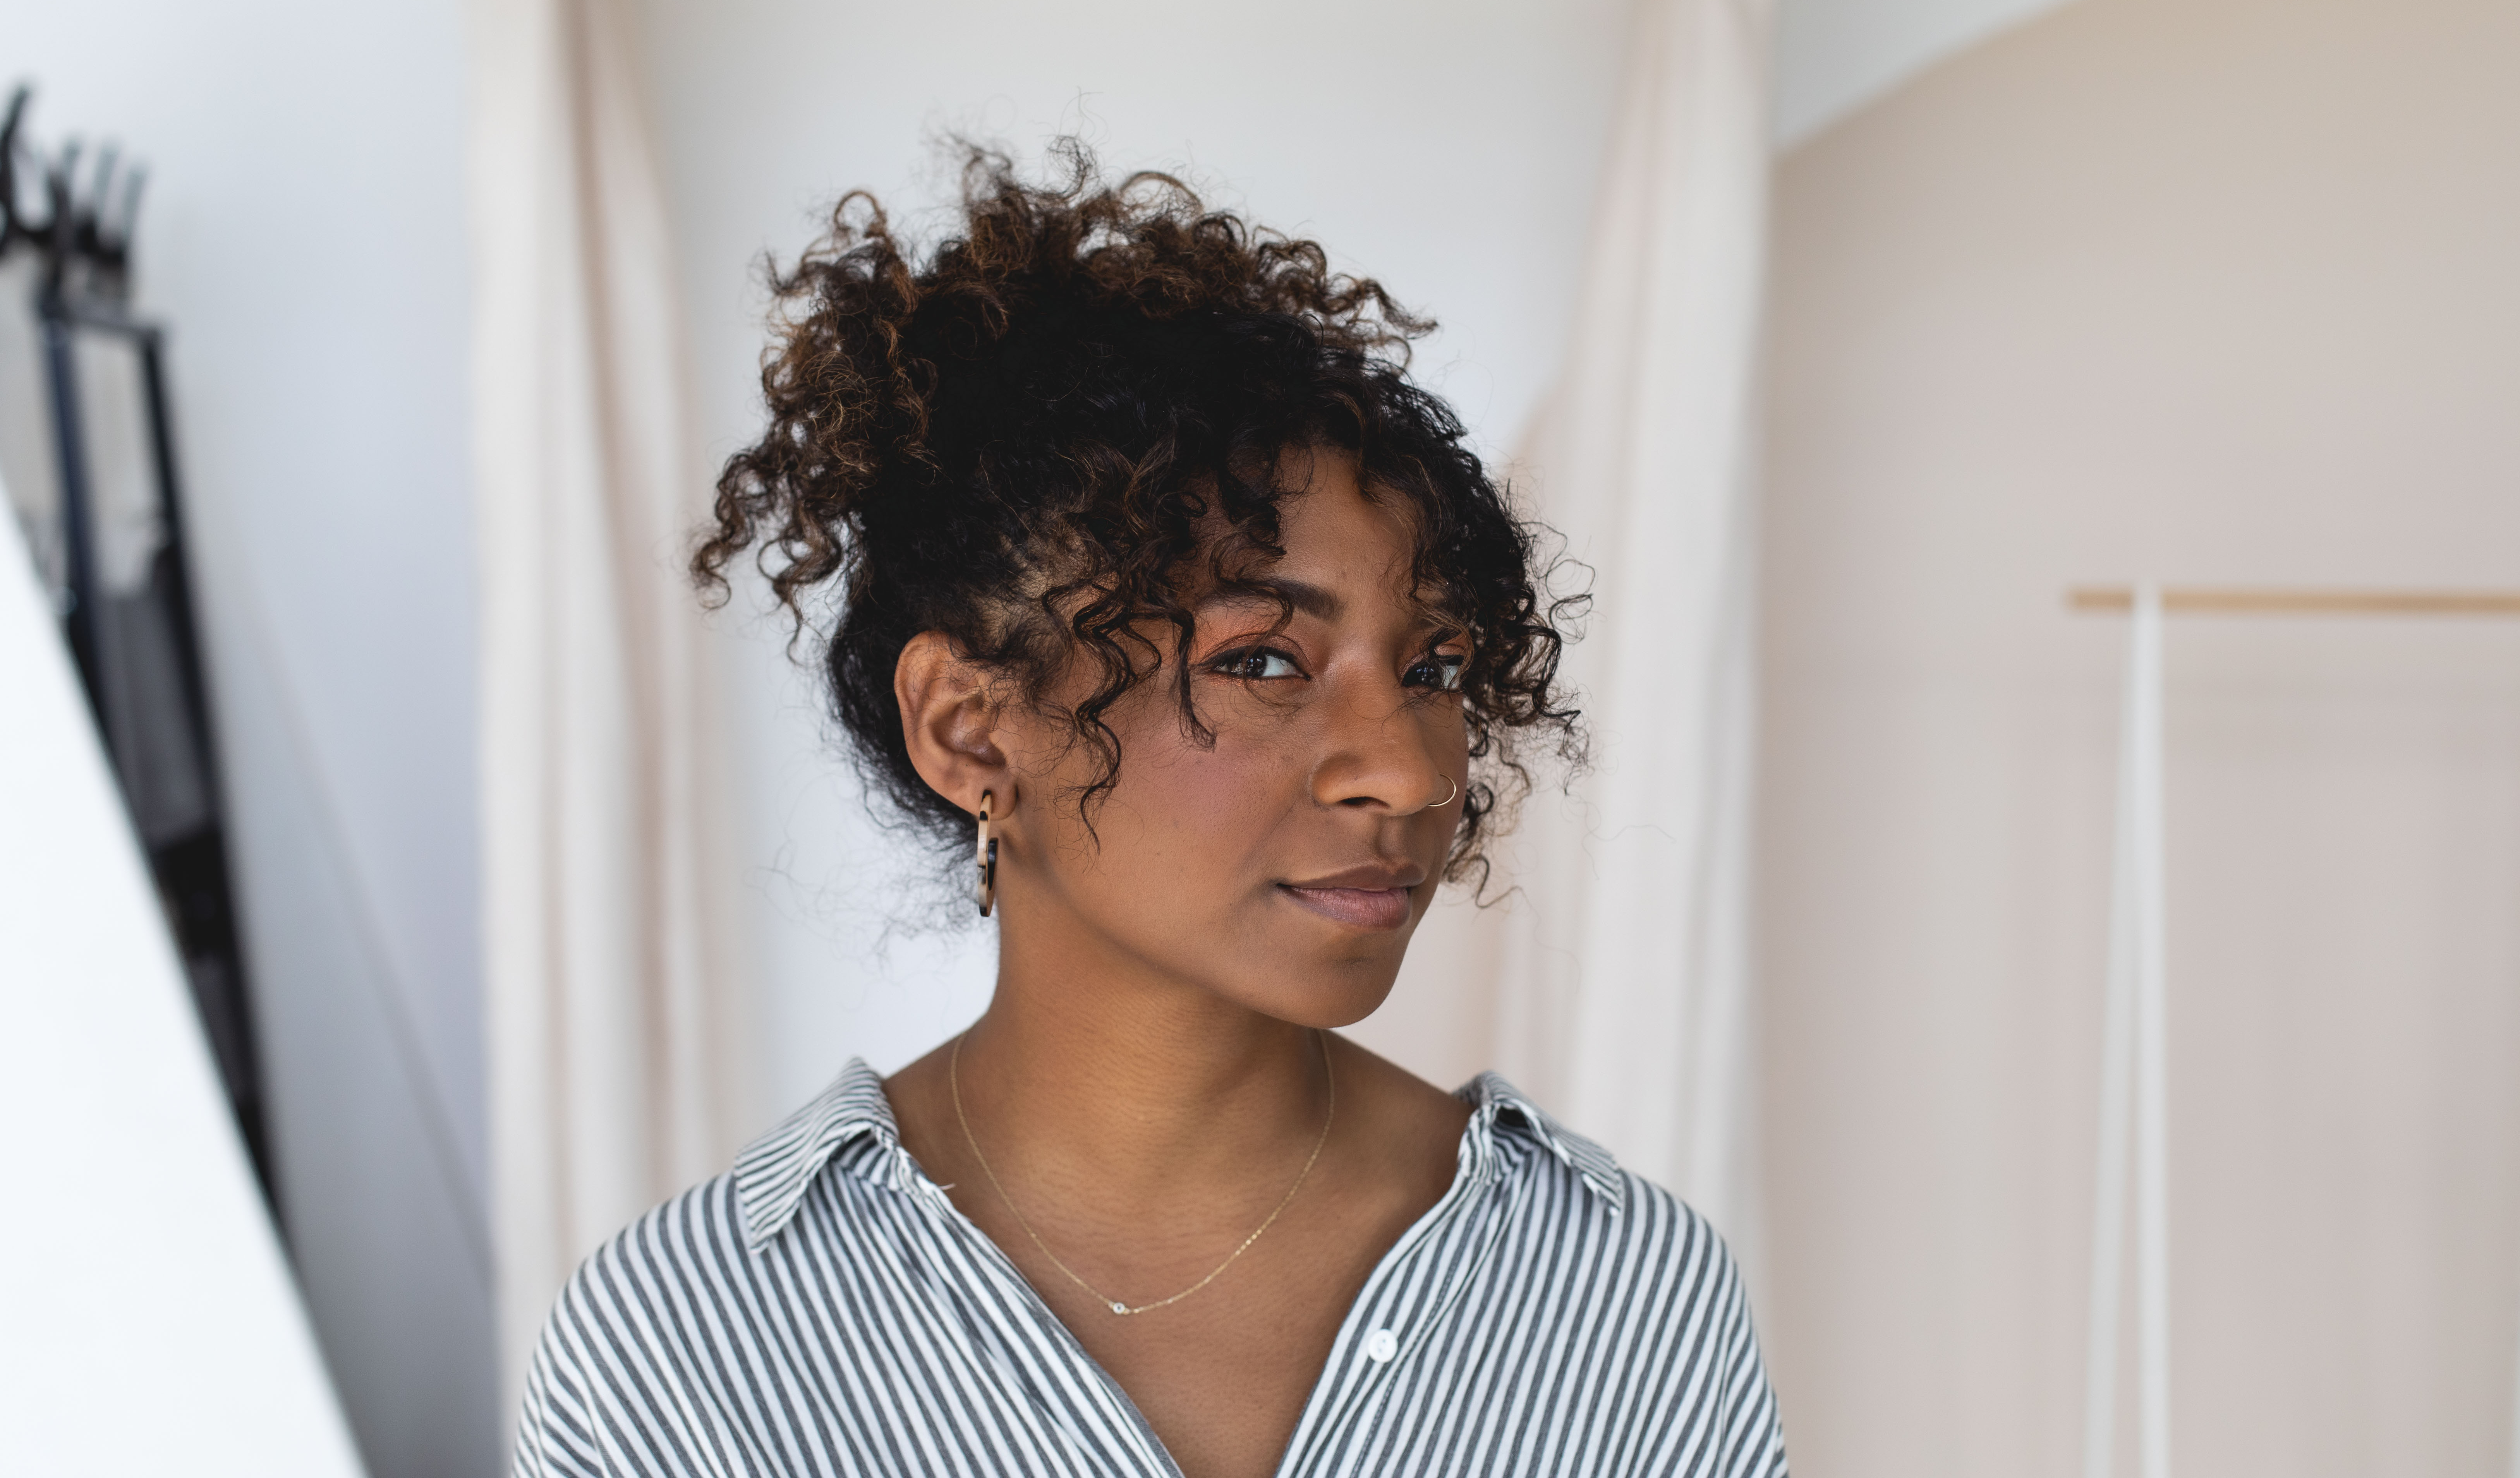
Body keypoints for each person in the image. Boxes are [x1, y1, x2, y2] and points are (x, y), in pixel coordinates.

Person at [510, 147, 1787, 1478]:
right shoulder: (687, 1353)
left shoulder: (1629, 1301)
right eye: (1264, 661)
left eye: (1435, 670)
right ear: (971, 728)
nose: (1408, 773)